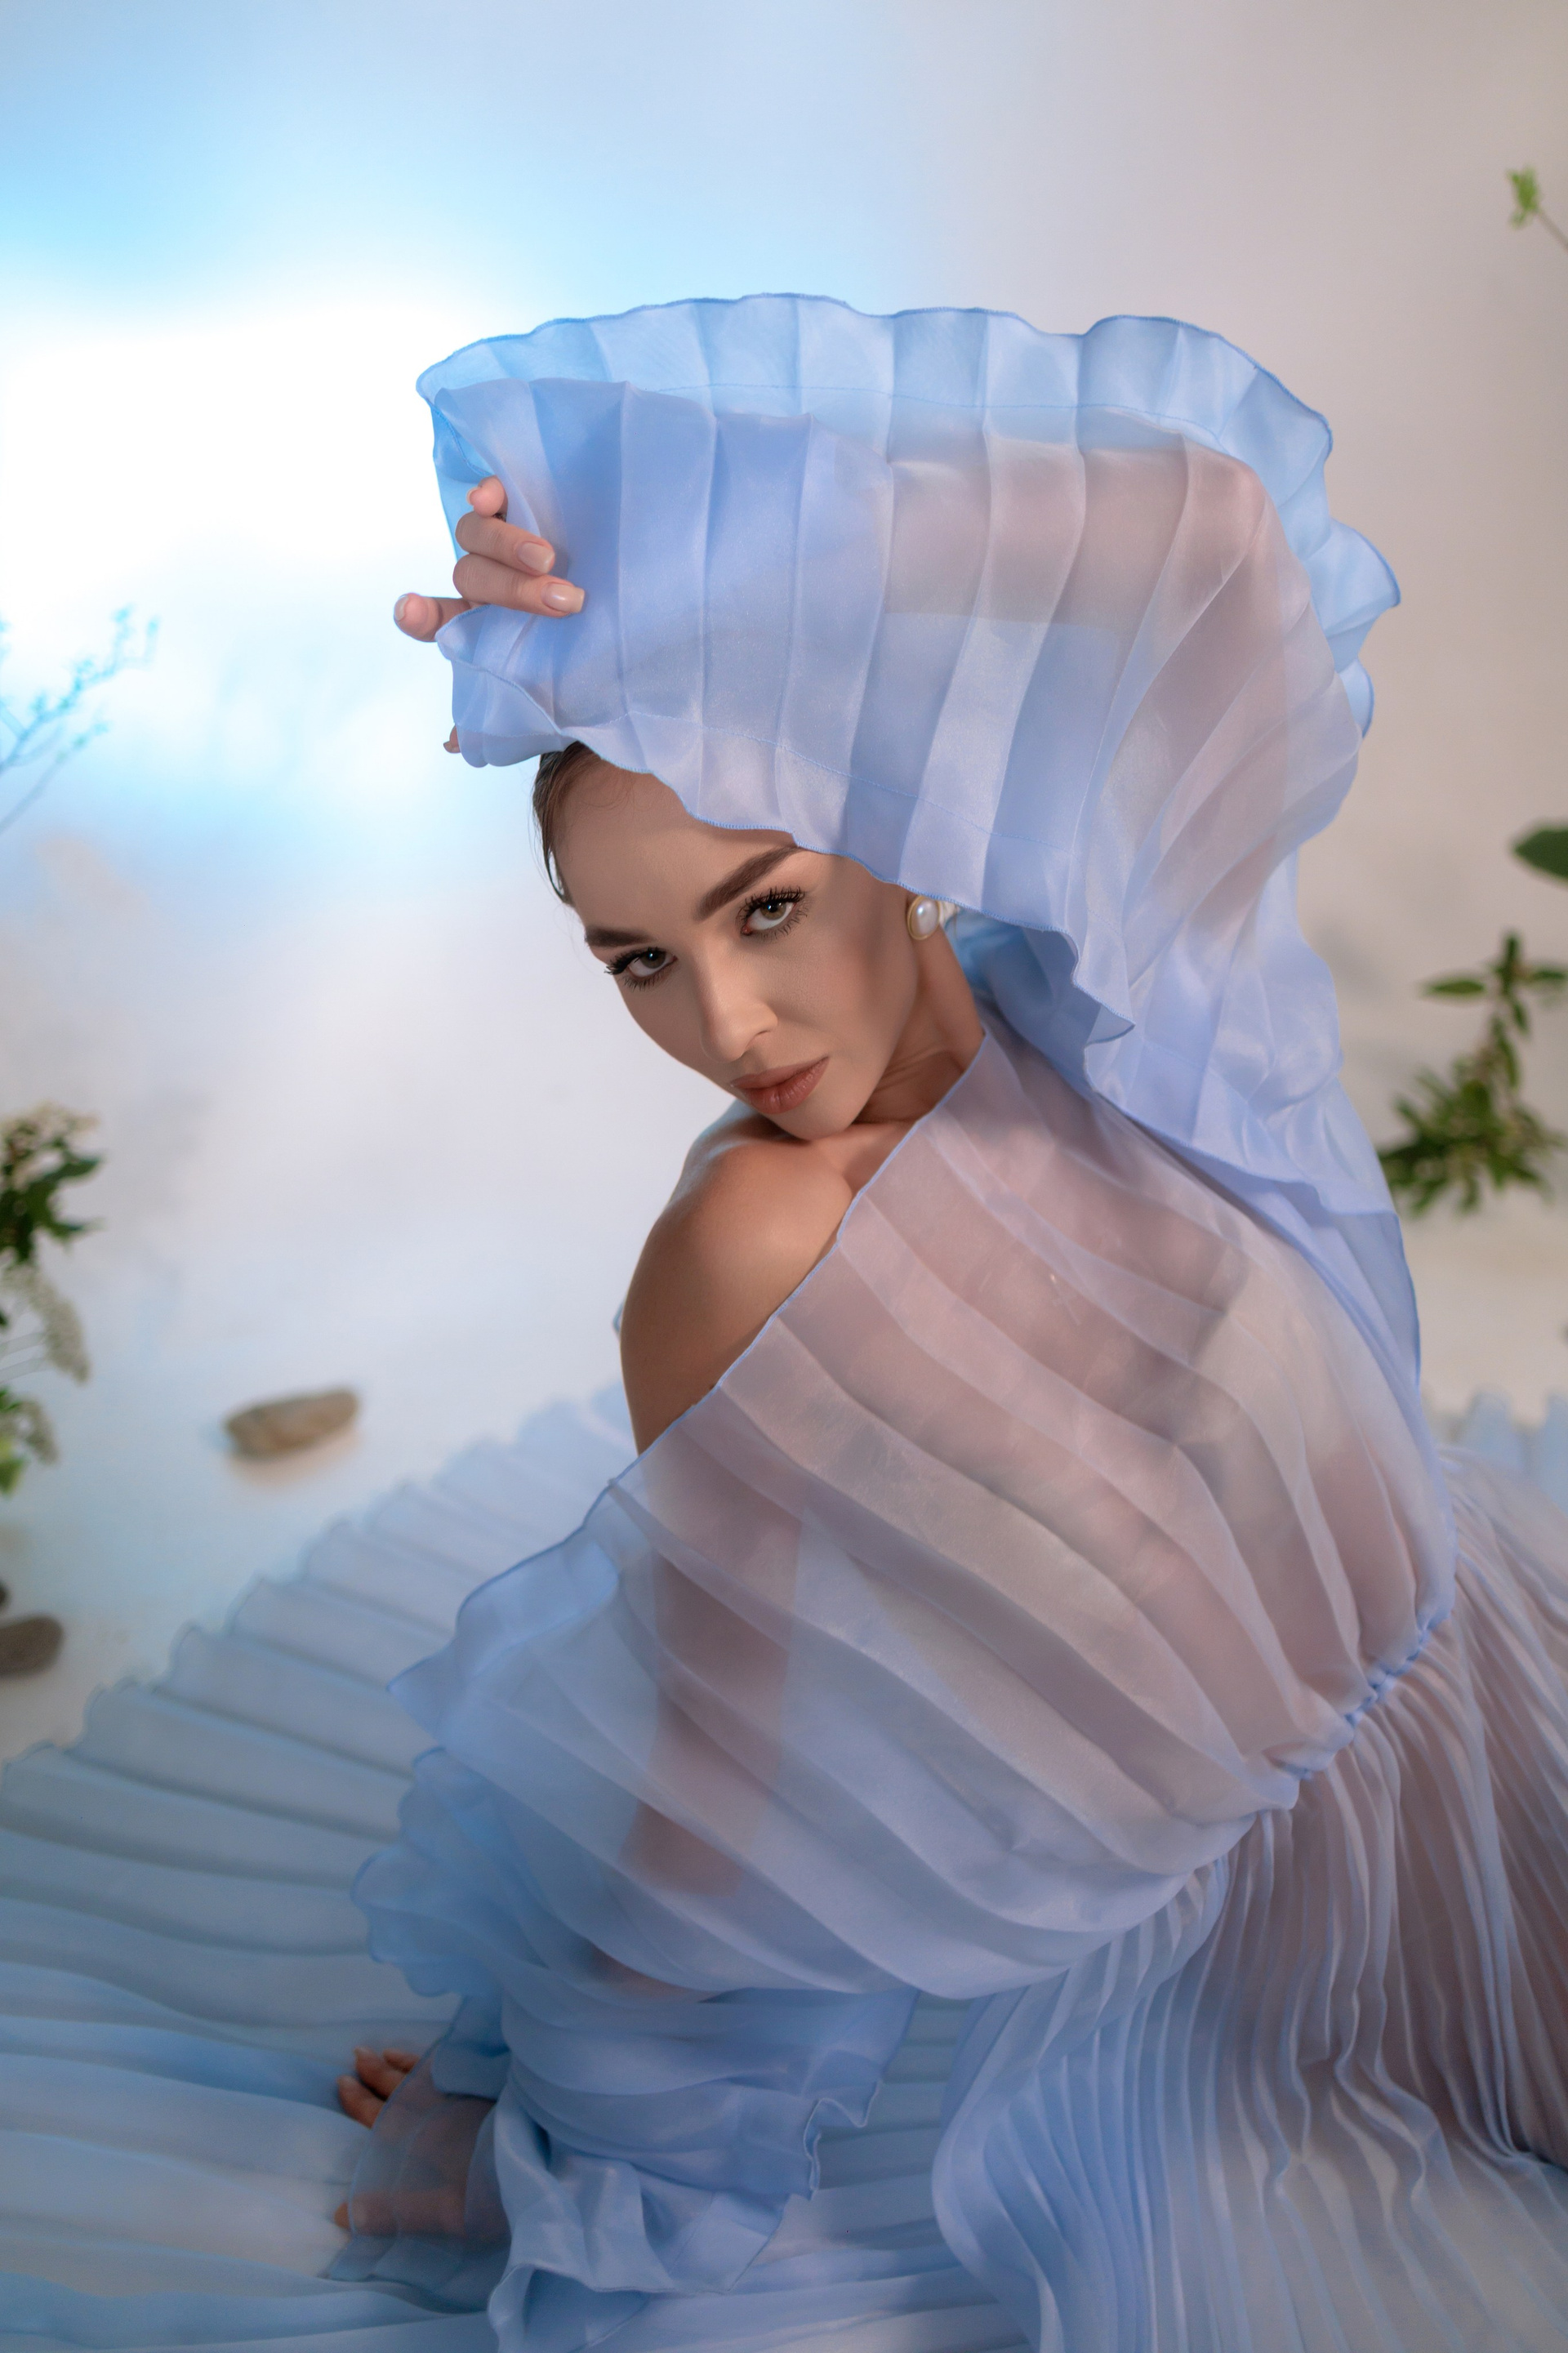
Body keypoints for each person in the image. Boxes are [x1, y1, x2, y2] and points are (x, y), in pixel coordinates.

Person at [4, 297, 1568, 2353]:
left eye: (764, 907)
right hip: (1327, 1959)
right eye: (638, 958)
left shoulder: (1115, 999)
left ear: (896, 834)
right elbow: (725, 1755)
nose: (728, 1024)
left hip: (1515, 1675)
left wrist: (715, 565)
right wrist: (558, 2131)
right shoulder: (756, 1241)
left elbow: (1210, 532)